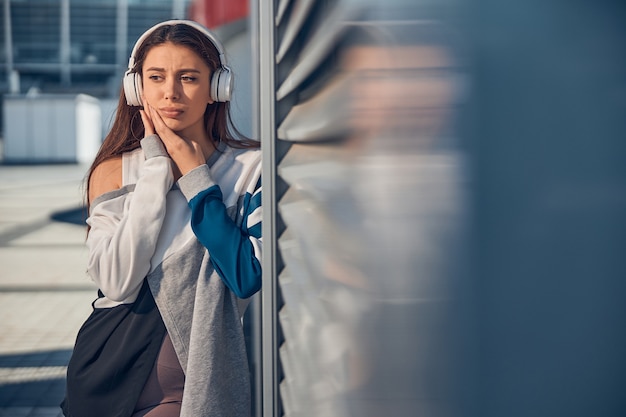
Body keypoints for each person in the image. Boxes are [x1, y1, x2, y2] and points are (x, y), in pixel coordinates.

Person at [61, 20, 262, 417]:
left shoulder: (250, 168)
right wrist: (156, 170)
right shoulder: (113, 171)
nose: (170, 92)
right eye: (156, 77)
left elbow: (246, 276)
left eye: (188, 77)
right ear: (138, 89)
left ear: (217, 88)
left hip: (193, 384)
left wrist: (197, 180)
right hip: (104, 369)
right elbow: (116, 280)